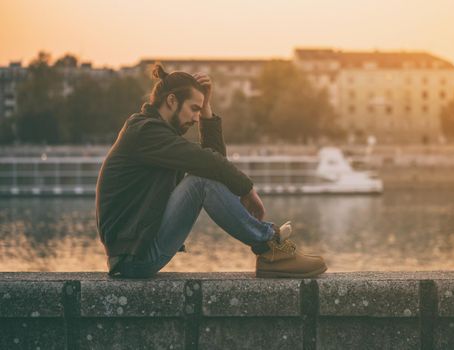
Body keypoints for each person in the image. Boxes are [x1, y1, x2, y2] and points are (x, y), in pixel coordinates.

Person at [95, 64, 327, 278]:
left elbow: (214, 163)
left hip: (139, 250)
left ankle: (271, 250)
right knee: (200, 182)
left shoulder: (156, 134)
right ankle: (270, 247)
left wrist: (207, 108)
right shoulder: (144, 132)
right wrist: (246, 189)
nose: (196, 118)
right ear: (172, 101)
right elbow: (209, 164)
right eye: (194, 109)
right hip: (133, 258)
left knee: (204, 177)